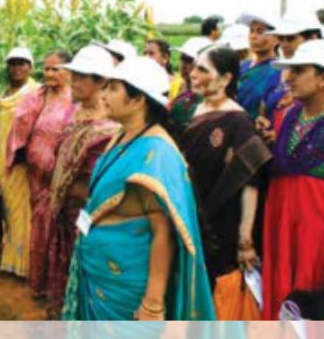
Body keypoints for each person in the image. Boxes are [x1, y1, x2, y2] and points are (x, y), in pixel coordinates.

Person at [61, 56, 216, 321]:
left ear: (138, 100)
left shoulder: (156, 154)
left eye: (112, 88)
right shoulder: (122, 135)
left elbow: (163, 233)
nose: (103, 94)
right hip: (100, 273)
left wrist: (153, 304)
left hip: (125, 283)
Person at [261, 39, 324, 320]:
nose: (288, 78)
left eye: (298, 70)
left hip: (318, 238)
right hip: (280, 233)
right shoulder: (286, 117)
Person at [179, 46, 272, 319]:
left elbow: (250, 181)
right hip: (191, 215)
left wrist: (245, 239)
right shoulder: (194, 112)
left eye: (203, 70)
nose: (193, 75)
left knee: (220, 294)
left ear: (225, 79)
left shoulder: (239, 122)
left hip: (223, 224)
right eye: (194, 68)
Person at [45, 45, 120, 319]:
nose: (73, 82)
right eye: (73, 75)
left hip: (91, 214)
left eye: (81, 77)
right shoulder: (72, 112)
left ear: (101, 82)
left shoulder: (111, 125)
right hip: (65, 210)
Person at [7, 50, 74, 298]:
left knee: (58, 228)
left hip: (62, 176)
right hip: (37, 175)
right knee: (39, 226)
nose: (49, 74)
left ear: (69, 71)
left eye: (56, 69)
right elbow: (21, 126)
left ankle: (59, 284)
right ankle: (40, 281)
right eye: (46, 69)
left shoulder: (76, 99)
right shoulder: (38, 96)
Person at [0, 47, 40, 278]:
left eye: (22, 63)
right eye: (13, 63)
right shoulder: (0, 92)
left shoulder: (36, 92)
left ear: (30, 67)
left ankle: (22, 263)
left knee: (21, 211)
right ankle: (9, 254)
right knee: (5, 207)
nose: (17, 68)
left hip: (21, 162)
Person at [236, 12, 282, 120]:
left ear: (276, 39)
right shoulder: (242, 66)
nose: (253, 36)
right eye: (251, 31)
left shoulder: (279, 70)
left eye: (260, 32)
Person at [168, 36, 214, 137]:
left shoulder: (206, 98)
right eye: (182, 59)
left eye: (189, 60)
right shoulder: (182, 90)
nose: (183, 65)